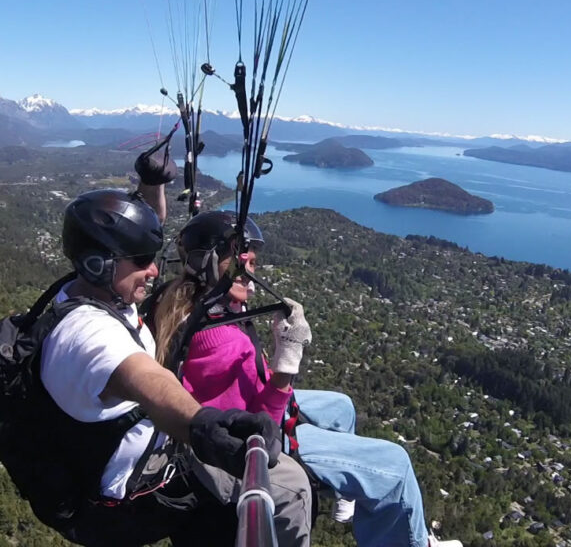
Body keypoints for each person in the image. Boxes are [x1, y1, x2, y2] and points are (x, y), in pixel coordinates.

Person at [33, 160, 311, 547]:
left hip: (157, 452)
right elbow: (148, 382)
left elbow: (147, 240)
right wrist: (201, 425)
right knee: (292, 488)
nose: (153, 271)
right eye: (143, 262)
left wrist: (152, 184)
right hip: (138, 491)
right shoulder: (86, 333)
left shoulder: (102, 291)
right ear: (101, 263)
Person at [147, 210, 433, 547]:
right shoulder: (220, 340)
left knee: (341, 407)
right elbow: (257, 432)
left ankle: (346, 493)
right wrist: (286, 363)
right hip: (243, 444)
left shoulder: (191, 302)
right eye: (243, 264)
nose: (251, 274)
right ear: (210, 265)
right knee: (395, 466)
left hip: (241, 401)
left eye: (252, 264)